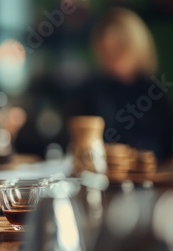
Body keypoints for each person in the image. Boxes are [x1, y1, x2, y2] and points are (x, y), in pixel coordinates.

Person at [68, 7, 173, 162]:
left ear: (135, 46)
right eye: (106, 51)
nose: (112, 58)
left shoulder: (154, 92)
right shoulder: (93, 91)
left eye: (118, 49)